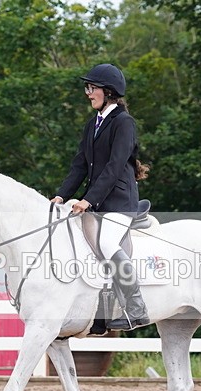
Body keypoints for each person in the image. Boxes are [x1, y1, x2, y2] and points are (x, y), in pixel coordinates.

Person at [50, 63, 149, 330]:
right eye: (87, 88)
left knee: (105, 243)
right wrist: (60, 196)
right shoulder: (92, 124)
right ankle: (99, 311)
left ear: (109, 92)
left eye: (92, 88)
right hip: (98, 202)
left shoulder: (124, 123)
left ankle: (136, 306)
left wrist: (88, 200)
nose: (88, 93)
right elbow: (80, 165)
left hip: (119, 202)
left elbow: (114, 167)